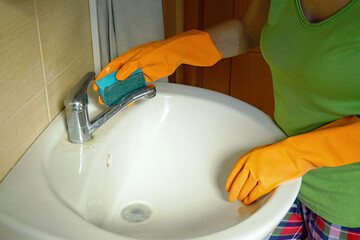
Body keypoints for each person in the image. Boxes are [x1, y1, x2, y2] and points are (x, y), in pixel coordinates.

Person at [94, 0, 360, 238]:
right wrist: (173, 51)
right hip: (279, 178)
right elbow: (249, 31)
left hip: (347, 203)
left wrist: (295, 156)